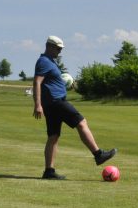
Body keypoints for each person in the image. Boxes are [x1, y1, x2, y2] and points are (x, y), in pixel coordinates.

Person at [33, 35, 116, 180]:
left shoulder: (50, 62)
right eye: (58, 48)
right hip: (56, 102)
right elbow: (37, 82)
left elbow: (49, 82)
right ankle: (98, 155)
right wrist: (37, 104)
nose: (59, 51)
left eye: (60, 49)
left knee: (53, 136)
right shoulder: (44, 61)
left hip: (53, 103)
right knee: (81, 122)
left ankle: (49, 171)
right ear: (49, 46)